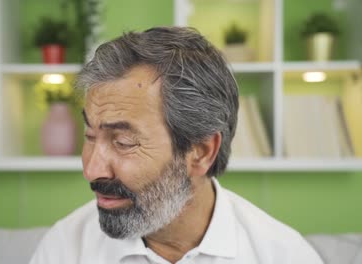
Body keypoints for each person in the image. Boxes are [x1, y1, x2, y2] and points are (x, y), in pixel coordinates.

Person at [30, 27, 323, 264]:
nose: (92, 170)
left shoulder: (285, 255)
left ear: (202, 152)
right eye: (90, 135)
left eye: (123, 142)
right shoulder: (65, 249)